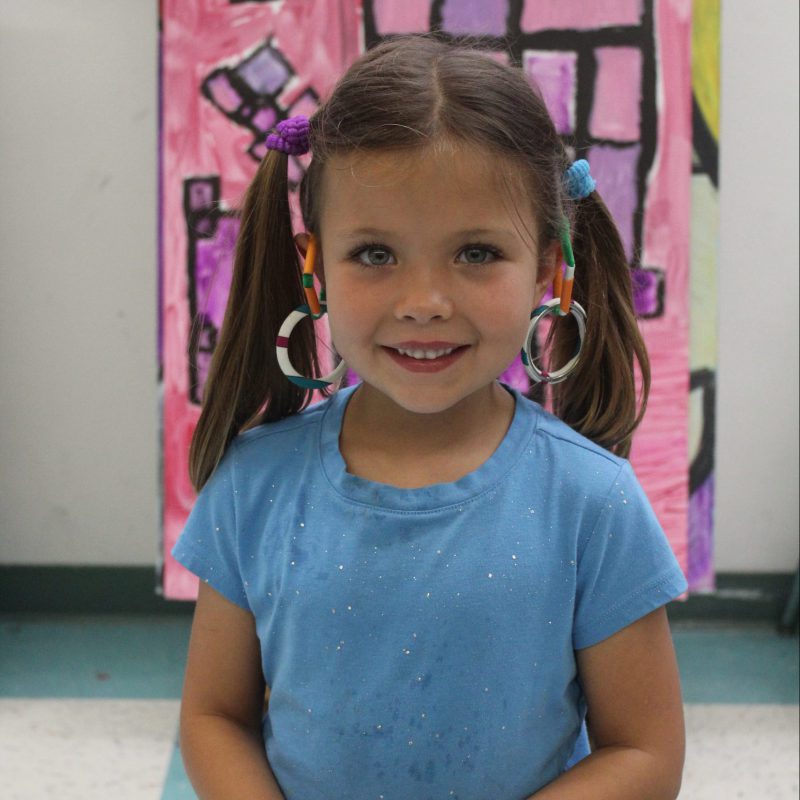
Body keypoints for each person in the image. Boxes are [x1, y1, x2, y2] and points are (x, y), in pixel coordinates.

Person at [173, 34, 688, 800]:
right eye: (376, 254)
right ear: (314, 268)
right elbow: (214, 718)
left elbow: (645, 753)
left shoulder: (593, 503)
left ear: (549, 268)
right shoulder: (256, 484)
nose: (424, 303)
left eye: (476, 253)